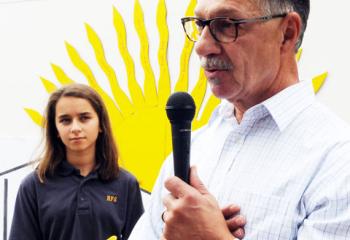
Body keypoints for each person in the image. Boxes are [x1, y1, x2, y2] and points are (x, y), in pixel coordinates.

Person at [129, 0, 350, 239]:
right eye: (201, 24)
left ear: (287, 33)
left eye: (226, 25)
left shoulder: (337, 160)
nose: (202, 46)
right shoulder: (196, 146)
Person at [9, 84, 144, 240]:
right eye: (65, 120)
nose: (75, 128)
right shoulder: (33, 185)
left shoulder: (126, 184)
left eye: (84, 118)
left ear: (100, 124)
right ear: (56, 130)